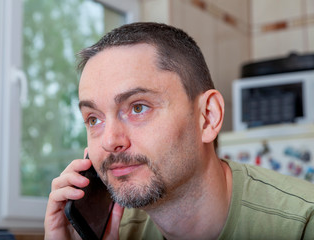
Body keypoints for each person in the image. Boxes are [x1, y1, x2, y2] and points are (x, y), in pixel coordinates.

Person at [44, 22, 314, 239]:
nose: (110, 141)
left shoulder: (302, 224)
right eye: (93, 119)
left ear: (208, 118)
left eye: (138, 108)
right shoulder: (113, 231)